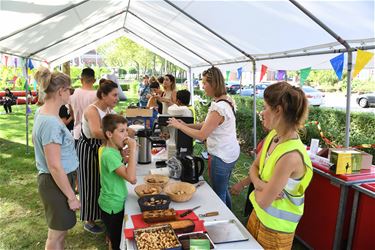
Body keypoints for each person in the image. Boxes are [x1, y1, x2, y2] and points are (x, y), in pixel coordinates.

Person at [248, 81, 313, 249]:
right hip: (258, 216)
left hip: (275, 229)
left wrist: (257, 186)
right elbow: (253, 168)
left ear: (278, 110)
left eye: (265, 107)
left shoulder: (290, 156)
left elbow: (263, 201)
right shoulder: (273, 136)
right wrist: (260, 184)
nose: (262, 112)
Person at [168, 66, 240, 208]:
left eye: (205, 83)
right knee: (224, 188)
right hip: (230, 153)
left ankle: (224, 221)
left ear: (214, 84)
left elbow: (202, 135)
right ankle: (230, 213)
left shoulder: (219, 107)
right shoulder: (226, 101)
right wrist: (187, 125)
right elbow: (207, 124)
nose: (202, 86)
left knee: (219, 194)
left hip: (221, 156)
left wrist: (179, 126)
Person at [32, 67, 80, 250]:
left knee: (60, 232)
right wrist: (71, 197)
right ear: (61, 91)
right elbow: (54, 166)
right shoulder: (51, 122)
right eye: (70, 89)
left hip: (58, 181)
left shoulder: (46, 113)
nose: (71, 93)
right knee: (56, 236)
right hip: (55, 182)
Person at [76, 79, 119, 234]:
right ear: (103, 95)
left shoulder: (108, 110)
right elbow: (95, 132)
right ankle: (89, 220)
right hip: (88, 148)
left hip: (100, 147)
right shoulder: (92, 110)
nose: (117, 98)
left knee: (100, 182)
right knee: (89, 182)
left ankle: (98, 213)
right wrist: (118, 135)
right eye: (114, 95)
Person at [99, 114, 137, 250]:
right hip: (112, 206)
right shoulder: (109, 154)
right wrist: (133, 149)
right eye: (121, 131)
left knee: (115, 237)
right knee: (117, 243)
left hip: (115, 201)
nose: (126, 135)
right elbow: (132, 178)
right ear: (109, 134)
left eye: (126, 130)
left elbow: (119, 167)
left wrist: (124, 159)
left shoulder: (114, 151)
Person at [69, 67, 97, 144]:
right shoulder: (97, 96)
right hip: (92, 135)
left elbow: (71, 112)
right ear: (94, 80)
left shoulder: (73, 94)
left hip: (77, 133)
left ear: (81, 80)